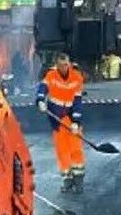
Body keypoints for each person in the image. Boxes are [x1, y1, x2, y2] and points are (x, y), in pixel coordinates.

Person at [36, 53, 86, 193]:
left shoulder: (77, 77)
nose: (64, 68)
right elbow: (42, 89)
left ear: (69, 64)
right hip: (57, 120)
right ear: (56, 65)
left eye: (66, 65)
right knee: (62, 151)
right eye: (61, 65)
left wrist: (76, 122)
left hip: (70, 118)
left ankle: (78, 180)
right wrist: (40, 100)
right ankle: (67, 180)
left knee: (75, 149)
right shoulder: (51, 75)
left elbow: (77, 101)